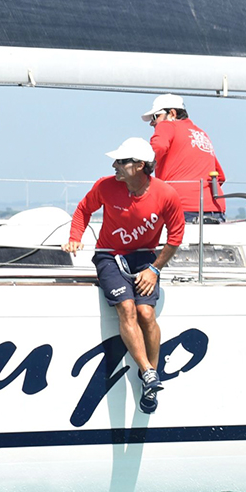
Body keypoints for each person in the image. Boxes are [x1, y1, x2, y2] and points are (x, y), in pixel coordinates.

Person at [63, 137, 184, 415]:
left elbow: (175, 237)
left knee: (146, 314)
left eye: (121, 161)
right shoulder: (106, 185)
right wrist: (74, 238)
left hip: (145, 257)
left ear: (140, 166)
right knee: (127, 308)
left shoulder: (166, 194)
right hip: (109, 255)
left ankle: (150, 381)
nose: (114, 165)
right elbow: (83, 209)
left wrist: (155, 269)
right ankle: (149, 372)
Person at [142, 94, 226, 223]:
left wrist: (138, 171)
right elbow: (220, 176)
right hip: (216, 210)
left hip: (181, 208)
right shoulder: (201, 133)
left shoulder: (167, 125)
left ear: (172, 113)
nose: (152, 123)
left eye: (155, 116)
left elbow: (156, 148)